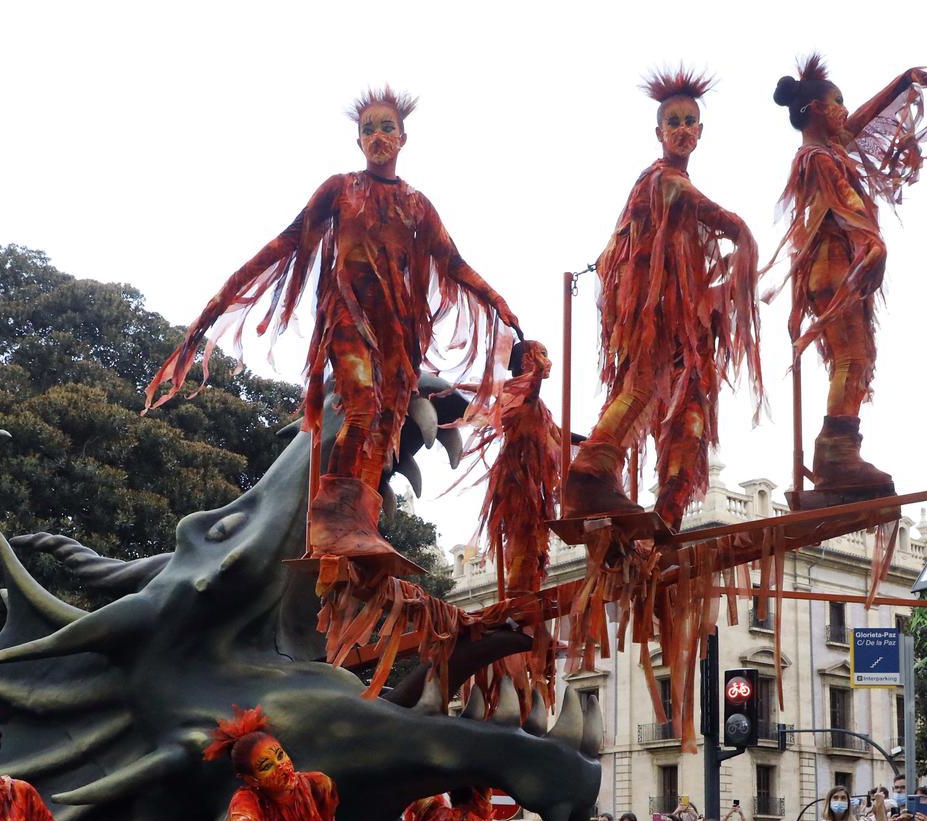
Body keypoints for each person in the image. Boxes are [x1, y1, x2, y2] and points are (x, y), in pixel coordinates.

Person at [145, 86, 519, 566]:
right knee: (361, 407)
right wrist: (225, 296)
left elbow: (454, 263)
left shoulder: (418, 204)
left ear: (403, 138)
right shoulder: (341, 189)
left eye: (387, 127)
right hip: (348, 320)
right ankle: (335, 519)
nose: (378, 136)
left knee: (386, 423)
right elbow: (285, 242)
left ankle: (362, 521)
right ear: (358, 142)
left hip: (398, 333)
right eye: (368, 129)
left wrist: (499, 302)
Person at [561, 67, 764, 529]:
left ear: (701, 130)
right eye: (673, 122)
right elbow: (705, 210)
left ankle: (667, 512)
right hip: (651, 319)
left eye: (689, 121)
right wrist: (742, 234)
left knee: (692, 410)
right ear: (658, 132)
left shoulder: (672, 183)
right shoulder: (662, 178)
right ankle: (591, 471)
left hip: (682, 327)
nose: (682, 129)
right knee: (639, 389)